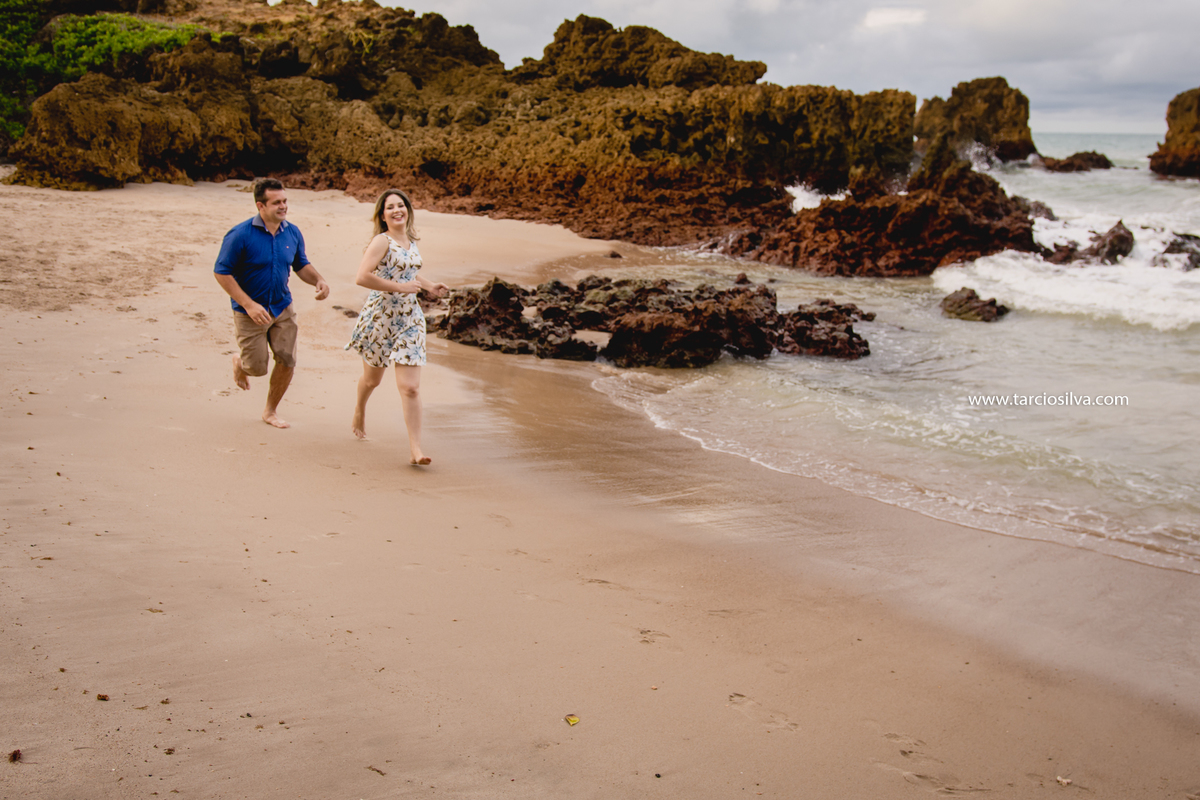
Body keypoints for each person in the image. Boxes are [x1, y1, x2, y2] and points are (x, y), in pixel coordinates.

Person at [214, 178, 330, 428]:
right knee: (256, 368)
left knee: (287, 360)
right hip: (250, 312)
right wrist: (248, 305)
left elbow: (300, 264)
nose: (283, 206)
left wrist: (318, 280)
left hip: (282, 306)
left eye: (285, 201)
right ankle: (240, 362)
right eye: (276, 202)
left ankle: (270, 411)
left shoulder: (292, 232)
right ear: (261, 205)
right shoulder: (240, 235)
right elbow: (221, 272)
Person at [345, 189, 448, 465]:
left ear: (408, 210)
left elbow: (409, 272)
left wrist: (429, 286)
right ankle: (359, 409)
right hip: (381, 319)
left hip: (410, 320)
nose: (396, 210)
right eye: (390, 207)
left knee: (410, 387)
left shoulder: (410, 240)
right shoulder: (381, 241)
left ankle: (416, 450)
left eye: (400, 205)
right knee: (372, 380)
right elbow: (362, 277)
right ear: (382, 215)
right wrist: (400, 287)